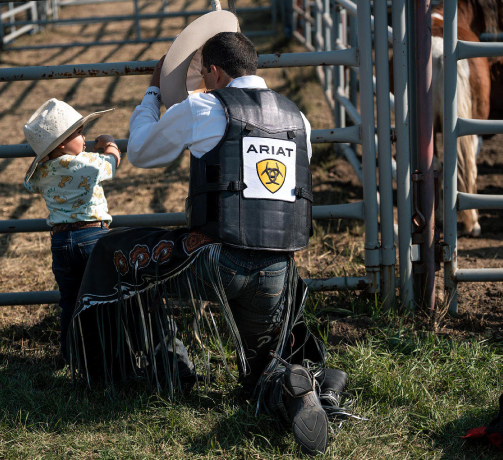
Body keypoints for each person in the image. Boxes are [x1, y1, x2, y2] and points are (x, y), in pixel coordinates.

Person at [69, 25, 348, 457]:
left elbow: (142, 150)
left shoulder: (205, 107)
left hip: (214, 261)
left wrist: (152, 95)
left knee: (116, 254)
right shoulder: (299, 118)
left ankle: (159, 362)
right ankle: (291, 390)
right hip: (278, 272)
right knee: (257, 375)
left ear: (214, 71)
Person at [23, 98, 120, 363]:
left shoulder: (42, 171)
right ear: (63, 143)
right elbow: (112, 163)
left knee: (69, 300)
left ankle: (70, 353)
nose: (84, 136)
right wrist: (109, 143)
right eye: (78, 133)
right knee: (104, 296)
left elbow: (30, 185)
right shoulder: (87, 162)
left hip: (61, 241)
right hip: (93, 237)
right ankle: (107, 354)